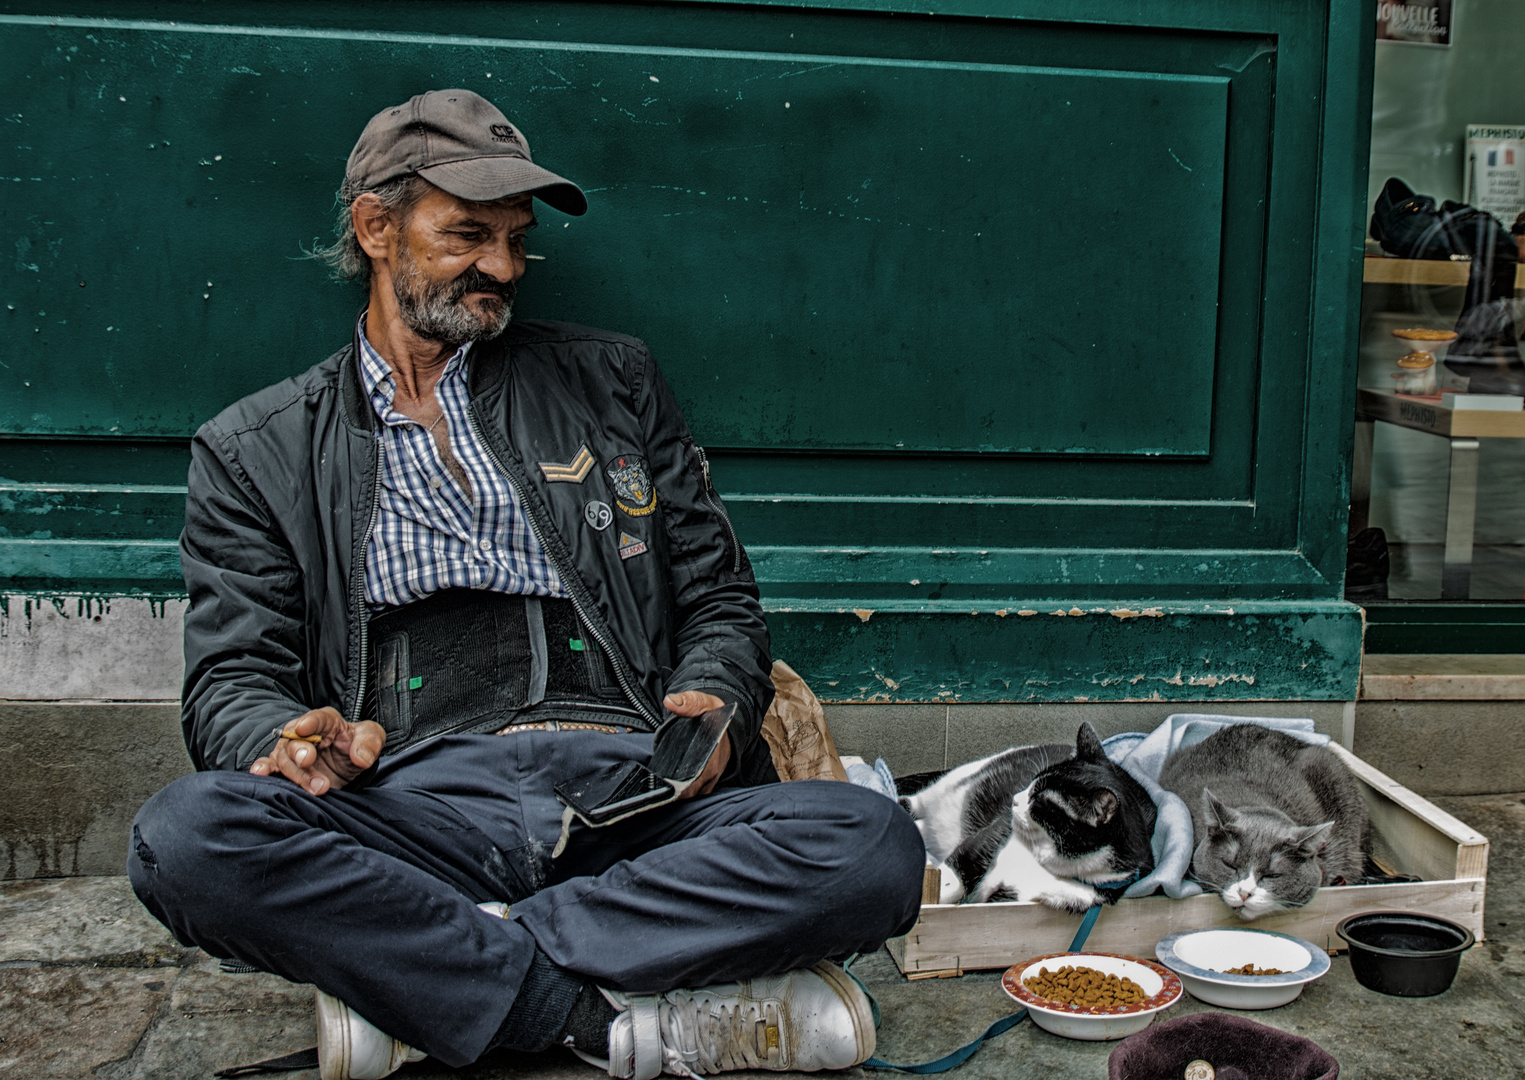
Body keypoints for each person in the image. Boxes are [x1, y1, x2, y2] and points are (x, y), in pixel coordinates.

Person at [125, 89, 925, 1080]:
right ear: (376, 227)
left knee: (870, 846)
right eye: (467, 234)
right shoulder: (256, 450)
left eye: (516, 241)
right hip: (414, 809)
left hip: (631, 797)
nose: (502, 268)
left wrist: (717, 703)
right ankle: (590, 1014)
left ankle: (437, 969)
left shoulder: (613, 379)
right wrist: (283, 744)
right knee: (181, 839)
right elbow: (230, 681)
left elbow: (718, 599)